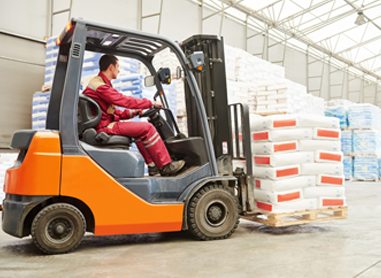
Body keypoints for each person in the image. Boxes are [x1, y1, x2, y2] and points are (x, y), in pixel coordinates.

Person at [82, 54, 185, 176]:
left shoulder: (101, 84)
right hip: (104, 127)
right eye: (117, 66)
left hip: (105, 123)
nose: (119, 70)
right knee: (148, 128)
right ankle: (166, 165)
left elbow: (112, 112)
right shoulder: (100, 86)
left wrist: (135, 112)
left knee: (140, 133)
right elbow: (124, 100)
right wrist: (149, 103)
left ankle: (153, 167)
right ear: (111, 67)